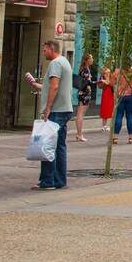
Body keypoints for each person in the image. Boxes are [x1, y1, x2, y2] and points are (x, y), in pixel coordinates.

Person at [27, 41, 73, 190]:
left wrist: (47, 108)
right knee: (59, 146)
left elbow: (54, 86)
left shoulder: (55, 64)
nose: (44, 53)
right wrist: (36, 85)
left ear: (52, 50)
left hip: (56, 110)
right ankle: (60, 180)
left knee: (48, 145)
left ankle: (47, 181)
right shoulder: (65, 61)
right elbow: (51, 87)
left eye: (45, 50)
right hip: (65, 108)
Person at [111, 65, 132, 144]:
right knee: (129, 116)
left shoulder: (117, 71)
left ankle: (115, 137)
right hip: (130, 96)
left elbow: (111, 82)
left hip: (120, 95)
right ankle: (130, 137)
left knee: (119, 116)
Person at [74, 54, 94, 142]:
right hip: (84, 93)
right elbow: (88, 82)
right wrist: (99, 82)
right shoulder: (85, 70)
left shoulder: (84, 70)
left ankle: (79, 133)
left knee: (80, 114)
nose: (92, 59)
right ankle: (79, 134)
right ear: (87, 60)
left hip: (83, 93)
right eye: (91, 58)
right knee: (81, 114)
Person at [98, 66, 114, 131]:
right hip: (105, 94)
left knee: (110, 108)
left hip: (110, 94)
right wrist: (104, 81)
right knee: (105, 108)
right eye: (106, 73)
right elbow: (100, 84)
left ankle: (109, 125)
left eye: (109, 72)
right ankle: (104, 125)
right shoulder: (102, 80)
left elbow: (111, 84)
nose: (108, 74)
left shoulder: (111, 79)